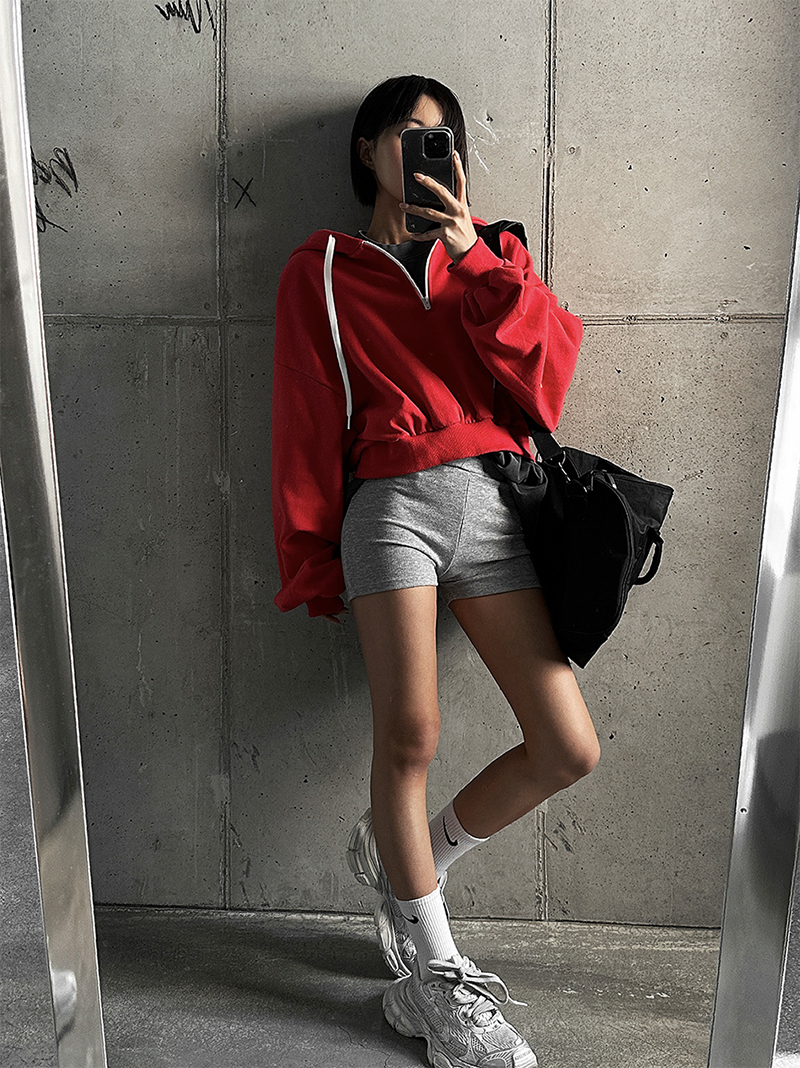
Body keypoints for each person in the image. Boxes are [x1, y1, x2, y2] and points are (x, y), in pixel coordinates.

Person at [271, 73, 600, 1068]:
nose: (428, 149)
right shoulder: (321, 269)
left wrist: (475, 259)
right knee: (409, 733)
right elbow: (303, 419)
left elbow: (547, 383)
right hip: (389, 512)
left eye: (443, 135)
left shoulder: (493, 250)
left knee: (567, 747)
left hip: (494, 508)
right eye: (409, 133)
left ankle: (412, 860)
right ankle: (436, 978)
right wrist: (308, 557)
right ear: (368, 148)